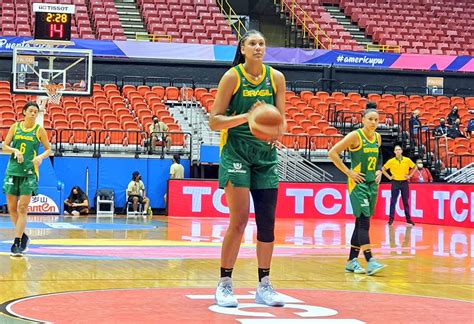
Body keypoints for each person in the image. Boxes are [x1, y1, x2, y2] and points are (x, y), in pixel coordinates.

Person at [208, 30, 287, 307]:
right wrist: (249, 116)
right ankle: (225, 283)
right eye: (252, 43)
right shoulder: (232, 77)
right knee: (239, 220)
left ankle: (264, 284)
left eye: (262, 43)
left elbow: (282, 122)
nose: (258, 47)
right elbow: (214, 121)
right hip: (236, 153)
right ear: (242, 49)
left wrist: (275, 130)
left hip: (265, 157)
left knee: (267, 223)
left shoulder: (276, 77)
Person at [328, 108, 386, 276]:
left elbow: (379, 155)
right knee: (363, 222)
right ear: (362, 120)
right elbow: (332, 152)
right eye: (370, 119)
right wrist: (349, 172)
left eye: (376, 119)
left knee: (360, 222)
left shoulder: (377, 137)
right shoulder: (355, 136)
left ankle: (351, 261)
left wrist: (379, 170)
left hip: (371, 184)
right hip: (357, 184)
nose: (374, 122)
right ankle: (370, 261)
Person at [2, 101, 52, 256]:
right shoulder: (15, 127)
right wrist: (14, 150)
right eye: (30, 111)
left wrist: (41, 157)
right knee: (11, 208)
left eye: (35, 112)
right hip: (13, 171)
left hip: (29, 173)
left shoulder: (39, 130)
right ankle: (23, 236)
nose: (33, 114)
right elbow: (4, 145)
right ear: (24, 112)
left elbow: (49, 149)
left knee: (22, 208)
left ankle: (17, 242)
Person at [382, 145, 417, 226]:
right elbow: (383, 169)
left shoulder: (407, 160)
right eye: (396, 150)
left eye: (399, 149)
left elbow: (415, 167)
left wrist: (410, 175)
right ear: (394, 152)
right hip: (395, 182)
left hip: (404, 182)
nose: (398, 151)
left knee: (405, 202)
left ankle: (408, 220)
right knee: (393, 202)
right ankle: (391, 220)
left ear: (401, 151)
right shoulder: (391, 161)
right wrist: (389, 177)